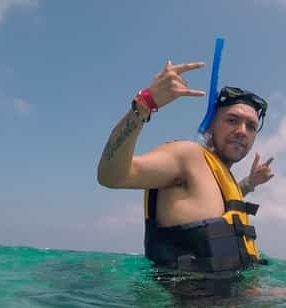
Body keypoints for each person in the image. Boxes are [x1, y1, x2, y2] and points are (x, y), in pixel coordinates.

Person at [97, 60, 274, 278]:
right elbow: (111, 176)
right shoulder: (186, 155)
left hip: (234, 302)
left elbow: (218, 208)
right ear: (210, 124)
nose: (242, 131)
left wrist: (249, 183)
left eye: (251, 126)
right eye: (232, 120)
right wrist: (144, 104)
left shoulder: (219, 176)